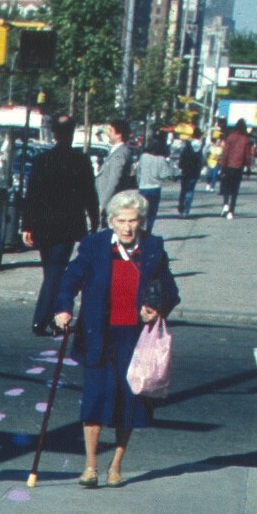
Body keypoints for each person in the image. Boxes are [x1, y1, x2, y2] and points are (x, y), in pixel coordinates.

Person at [45, 185, 181, 488]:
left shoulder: (153, 248)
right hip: (98, 335)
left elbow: (171, 291)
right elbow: (70, 279)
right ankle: (91, 466)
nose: (128, 227)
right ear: (112, 221)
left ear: (141, 221)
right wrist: (63, 308)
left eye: (133, 220)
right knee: (94, 400)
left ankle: (116, 464)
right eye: (121, 220)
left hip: (134, 338)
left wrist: (155, 307)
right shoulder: (94, 246)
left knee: (128, 403)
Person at [20, 116, 100, 336]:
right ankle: (44, 318)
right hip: (67, 225)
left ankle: (50, 317)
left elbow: (32, 195)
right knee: (55, 272)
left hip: (43, 225)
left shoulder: (41, 160)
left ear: (54, 134)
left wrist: (27, 225)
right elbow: (89, 193)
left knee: (51, 271)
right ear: (72, 133)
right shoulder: (80, 160)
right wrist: (94, 219)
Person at [134, 133, 175, 233]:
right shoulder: (161, 159)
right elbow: (164, 174)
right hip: (155, 188)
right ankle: (148, 231)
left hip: (143, 187)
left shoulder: (143, 157)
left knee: (141, 211)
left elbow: (138, 171)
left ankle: (139, 230)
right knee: (152, 213)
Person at [94, 122, 136, 216]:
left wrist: (102, 204)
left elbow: (114, 180)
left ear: (119, 134)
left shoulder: (119, 154)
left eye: (111, 131)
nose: (108, 133)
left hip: (111, 202)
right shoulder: (116, 151)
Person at [217, 118, 253, 218]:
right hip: (239, 166)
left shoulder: (230, 137)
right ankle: (231, 211)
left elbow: (225, 153)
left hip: (228, 166)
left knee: (226, 187)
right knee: (234, 189)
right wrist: (248, 168)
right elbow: (247, 155)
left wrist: (222, 166)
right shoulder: (246, 139)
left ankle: (225, 204)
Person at [175, 135, 203, 216]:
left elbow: (182, 158)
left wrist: (180, 166)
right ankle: (186, 210)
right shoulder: (200, 147)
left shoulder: (187, 146)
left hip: (185, 171)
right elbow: (201, 160)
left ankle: (181, 206)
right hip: (194, 172)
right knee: (190, 191)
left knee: (183, 189)